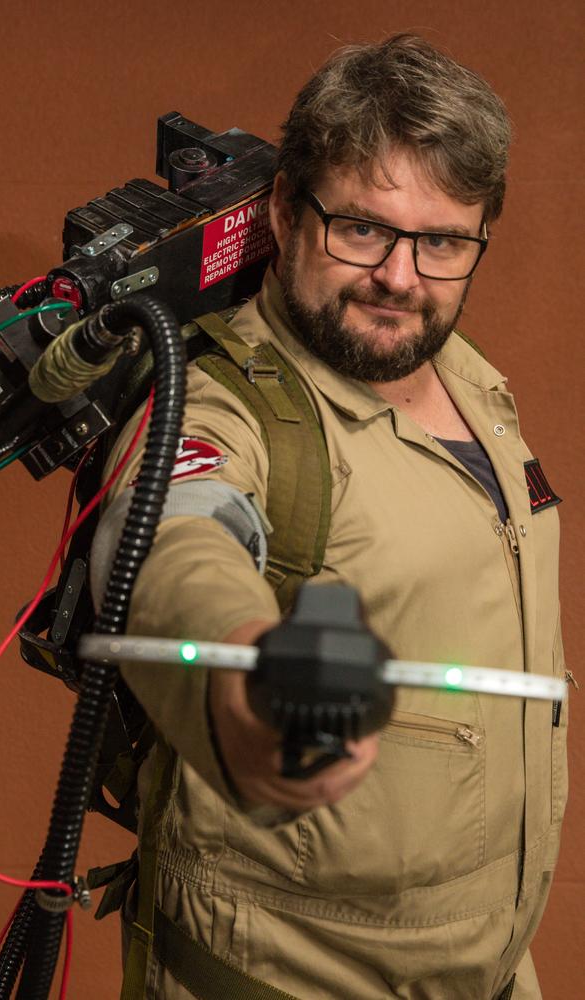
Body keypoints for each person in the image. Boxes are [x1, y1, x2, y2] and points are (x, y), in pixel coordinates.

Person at [93, 34, 567, 1000]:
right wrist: (247, 689)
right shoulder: (218, 403)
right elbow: (174, 541)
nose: (401, 276)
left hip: (484, 971)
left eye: (443, 242)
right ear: (282, 209)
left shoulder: (471, 381)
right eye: (362, 228)